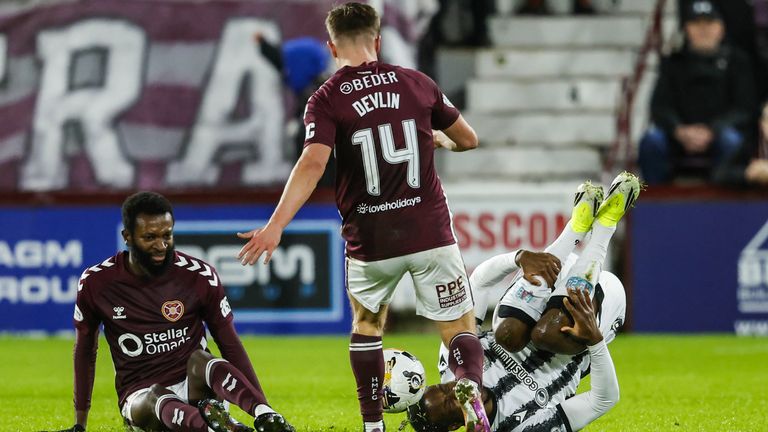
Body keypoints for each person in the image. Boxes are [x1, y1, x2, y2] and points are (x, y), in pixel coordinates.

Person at [236, 3, 559, 431]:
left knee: (367, 325)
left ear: (332, 47)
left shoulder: (326, 98)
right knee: (458, 327)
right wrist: (438, 139)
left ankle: (373, 425)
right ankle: (472, 395)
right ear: (378, 40)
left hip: (371, 240)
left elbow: (313, 164)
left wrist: (275, 225)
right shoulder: (416, 83)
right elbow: (470, 139)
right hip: (430, 234)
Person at [405, 172, 640, 431]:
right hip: (597, 308)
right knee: (546, 334)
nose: (459, 391)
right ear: (454, 426)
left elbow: (478, 283)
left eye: (448, 388)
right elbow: (603, 400)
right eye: (453, 404)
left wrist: (518, 259)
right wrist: (595, 341)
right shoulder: (522, 426)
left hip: (553, 271)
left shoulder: (455, 359)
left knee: (507, 334)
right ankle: (606, 226)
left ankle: (576, 228)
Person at [48, 192, 294, 432]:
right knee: (157, 395)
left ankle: (265, 416)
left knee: (203, 359)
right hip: (140, 396)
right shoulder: (96, 283)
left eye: (167, 235)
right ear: (128, 237)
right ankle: (217, 429)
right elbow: (85, 350)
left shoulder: (198, 275)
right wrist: (80, 423)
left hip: (198, 392)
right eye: (150, 237)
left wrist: (263, 404)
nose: (161, 246)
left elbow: (229, 343)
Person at [639, 0, 756, 185]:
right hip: (680, 135)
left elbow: (744, 109)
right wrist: (679, 130)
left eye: (709, 23)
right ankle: (656, 201)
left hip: (719, 133)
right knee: (652, 141)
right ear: (686, 28)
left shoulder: (737, 62)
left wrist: (713, 130)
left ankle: (725, 199)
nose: (703, 30)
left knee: (732, 141)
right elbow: (659, 106)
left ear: (721, 28)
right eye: (696, 24)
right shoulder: (674, 62)